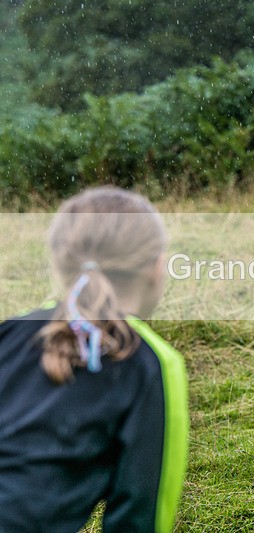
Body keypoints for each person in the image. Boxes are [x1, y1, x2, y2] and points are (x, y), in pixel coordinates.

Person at [0, 187, 188, 531]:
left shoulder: (10, 333)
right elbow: (139, 518)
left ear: (60, 263)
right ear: (155, 267)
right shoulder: (151, 362)